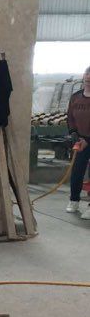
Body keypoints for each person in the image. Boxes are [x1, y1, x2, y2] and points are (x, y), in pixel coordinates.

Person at [66, 66, 90, 219]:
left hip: (88, 139)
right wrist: (73, 132)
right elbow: (70, 117)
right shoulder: (75, 97)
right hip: (80, 140)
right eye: (87, 74)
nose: (89, 77)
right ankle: (74, 200)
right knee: (77, 171)